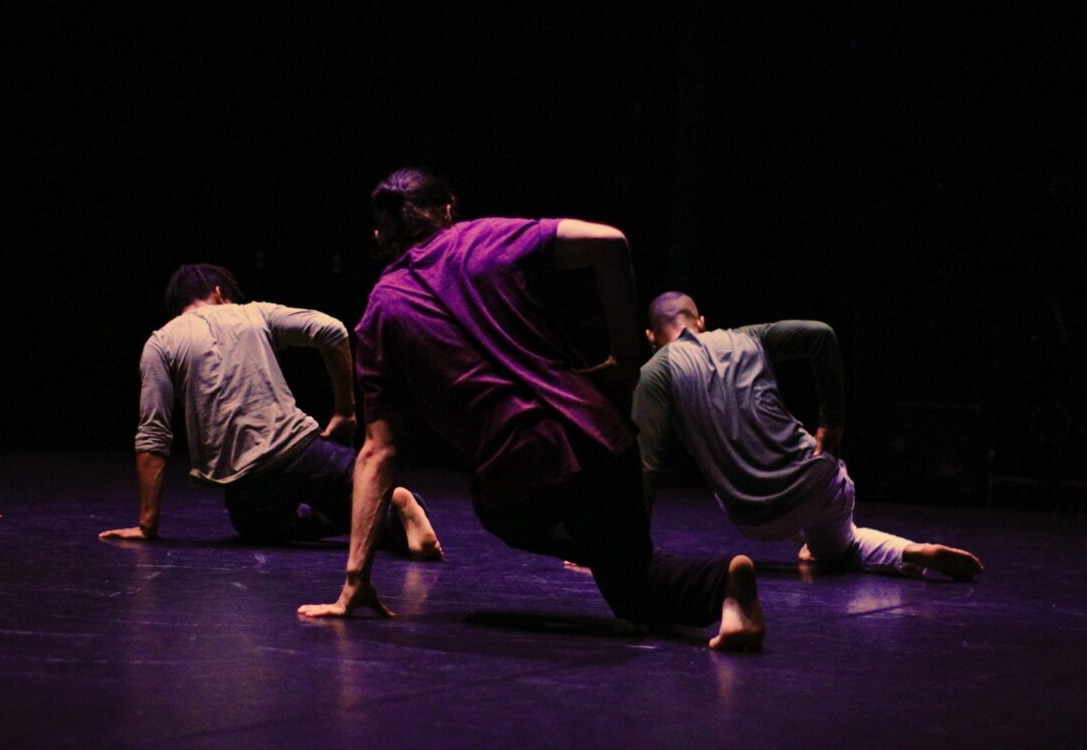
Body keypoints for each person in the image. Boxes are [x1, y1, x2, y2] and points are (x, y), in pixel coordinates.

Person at [297, 168, 764, 652]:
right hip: (604, 437)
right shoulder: (489, 239)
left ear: (380, 237)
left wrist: (355, 578)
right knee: (632, 585)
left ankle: (695, 576)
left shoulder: (381, 312)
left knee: (504, 517)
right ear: (449, 211)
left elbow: (378, 450)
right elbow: (611, 241)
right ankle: (722, 583)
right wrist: (627, 360)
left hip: (519, 475)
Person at [633, 291, 984, 580]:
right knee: (841, 543)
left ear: (650, 338)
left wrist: (630, 550)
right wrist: (832, 422)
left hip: (756, 516)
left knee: (820, 539)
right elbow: (821, 335)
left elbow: (646, 467)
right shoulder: (746, 337)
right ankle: (903, 551)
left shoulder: (655, 373)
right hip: (820, 484)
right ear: (702, 322)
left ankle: (837, 544)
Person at [99, 263, 441, 558]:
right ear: (219, 293)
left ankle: (391, 517)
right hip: (300, 452)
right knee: (380, 494)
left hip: (247, 482)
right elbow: (332, 330)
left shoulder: (161, 342)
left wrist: (148, 524)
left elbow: (153, 436)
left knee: (256, 528)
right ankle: (396, 510)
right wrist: (345, 410)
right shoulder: (252, 313)